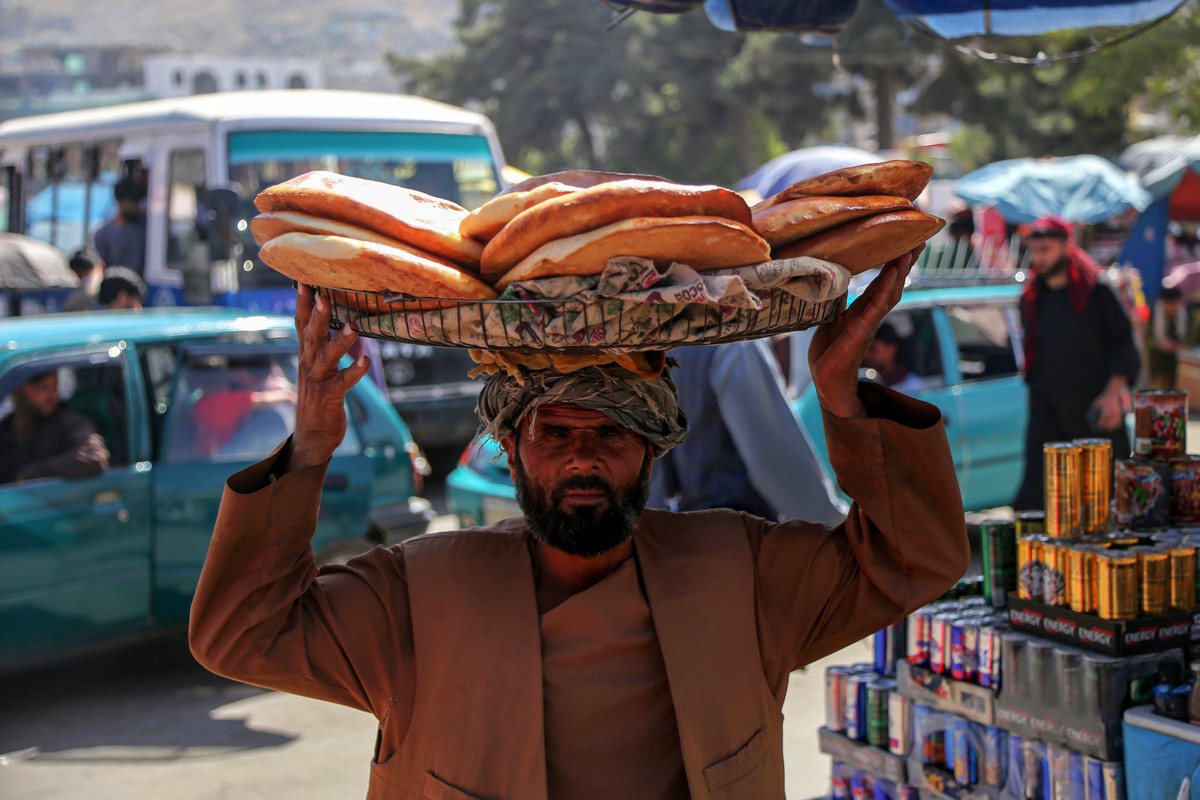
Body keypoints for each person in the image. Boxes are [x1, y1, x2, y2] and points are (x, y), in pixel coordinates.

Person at [189, 250, 968, 798]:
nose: (581, 460)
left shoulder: (742, 570)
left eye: (611, 435)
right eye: (553, 434)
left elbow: (915, 558)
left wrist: (842, 397)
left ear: (653, 449)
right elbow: (238, 635)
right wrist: (311, 451)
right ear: (515, 451)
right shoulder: (419, 591)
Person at [1012, 216, 1140, 510]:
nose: (1039, 258)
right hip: (1048, 414)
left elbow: (1124, 346)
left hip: (1094, 411)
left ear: (1067, 247)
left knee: (1102, 503)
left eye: (1046, 249)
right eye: (1035, 250)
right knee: (1039, 504)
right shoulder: (1032, 297)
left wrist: (1112, 396)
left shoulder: (1097, 291)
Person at [647, 338, 844, 526]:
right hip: (731, 538)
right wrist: (833, 523)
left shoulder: (649, 345)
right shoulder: (735, 343)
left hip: (669, 537)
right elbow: (773, 461)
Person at [0, 369, 110, 484]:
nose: (53, 395)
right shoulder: (4, 430)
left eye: (55, 385)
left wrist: (30, 475)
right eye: (43, 387)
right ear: (16, 389)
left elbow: (94, 458)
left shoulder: (69, 424)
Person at [92, 177, 147, 275]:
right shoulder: (103, 235)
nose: (136, 208)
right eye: (132, 203)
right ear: (120, 202)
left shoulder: (145, 227)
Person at [1147, 286, 1188, 390]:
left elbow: (1187, 336)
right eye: (1170, 304)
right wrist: (1161, 345)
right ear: (1163, 303)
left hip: (1176, 362)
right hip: (1157, 361)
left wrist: (1180, 345)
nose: (1173, 308)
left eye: (1175, 304)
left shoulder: (1184, 314)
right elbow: (1146, 340)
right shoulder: (1152, 314)